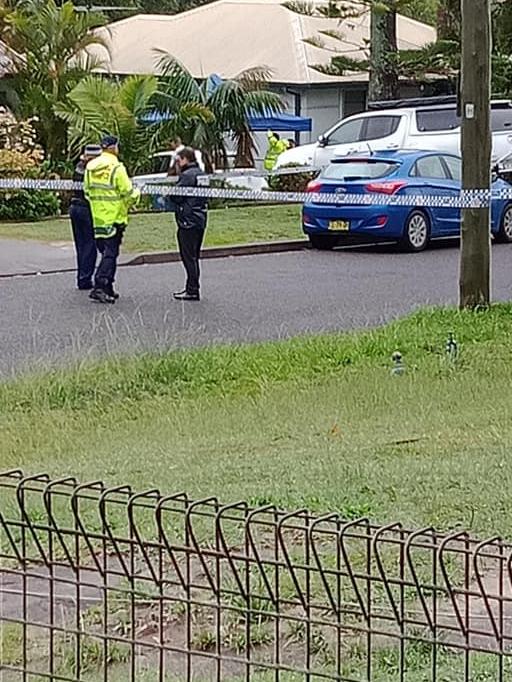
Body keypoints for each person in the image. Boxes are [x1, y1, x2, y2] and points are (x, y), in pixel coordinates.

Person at [84, 135, 140, 304]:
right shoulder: (117, 168)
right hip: (115, 217)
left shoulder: (90, 167)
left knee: (107, 252)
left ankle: (108, 287)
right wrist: (137, 195)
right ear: (113, 147)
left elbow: (87, 191)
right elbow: (128, 193)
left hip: (97, 217)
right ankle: (100, 286)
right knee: (111, 253)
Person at [172, 147, 207, 301]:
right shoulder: (202, 174)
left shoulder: (187, 176)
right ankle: (191, 287)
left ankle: (192, 289)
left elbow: (176, 195)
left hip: (188, 220)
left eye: (178, 160)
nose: (177, 164)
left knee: (188, 257)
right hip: (200, 218)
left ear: (185, 159)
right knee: (194, 256)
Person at [69, 144, 102, 290]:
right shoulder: (91, 170)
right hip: (86, 208)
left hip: (74, 207)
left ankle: (82, 276)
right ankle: (86, 278)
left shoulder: (79, 166)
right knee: (89, 245)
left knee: (81, 245)